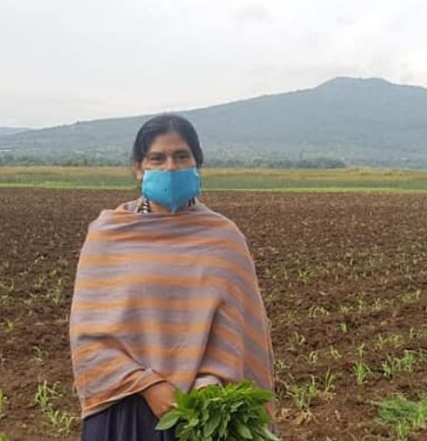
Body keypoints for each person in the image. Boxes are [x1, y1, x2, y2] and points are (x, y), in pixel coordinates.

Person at [70, 114, 275, 440]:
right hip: (125, 407)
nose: (170, 167)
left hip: (204, 413)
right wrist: (149, 386)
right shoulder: (108, 235)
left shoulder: (223, 238)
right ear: (139, 168)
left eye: (181, 156)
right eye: (157, 158)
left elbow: (237, 329)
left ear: (197, 163)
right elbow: (88, 336)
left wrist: (210, 381)